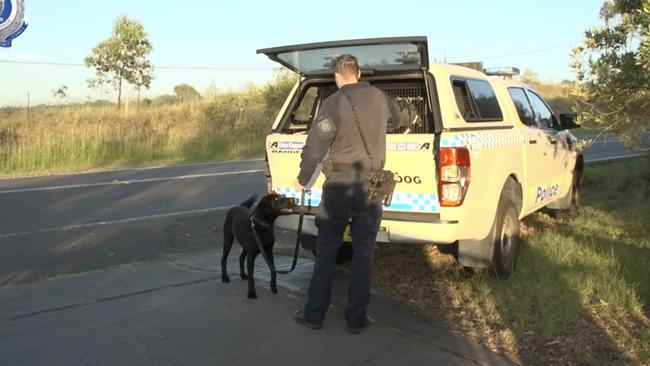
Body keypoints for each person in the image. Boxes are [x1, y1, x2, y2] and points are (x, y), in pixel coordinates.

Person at [293, 54, 401, 334]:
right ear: (359, 73)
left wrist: (303, 179)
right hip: (371, 188)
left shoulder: (334, 102)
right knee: (364, 254)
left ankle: (315, 315)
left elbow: (316, 145)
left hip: (340, 187)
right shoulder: (380, 97)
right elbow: (398, 118)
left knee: (327, 251)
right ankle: (356, 318)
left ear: (336, 77)